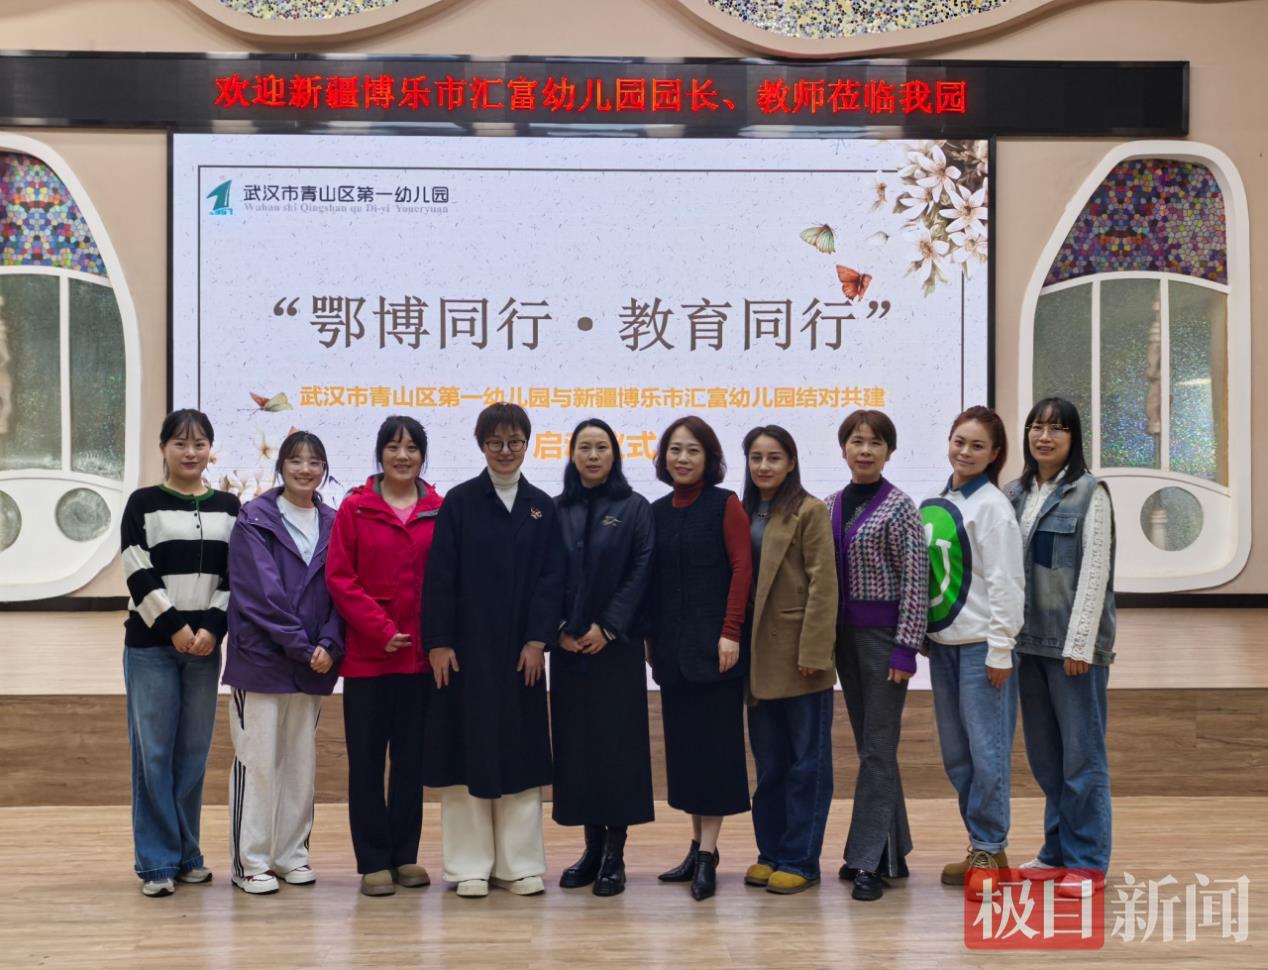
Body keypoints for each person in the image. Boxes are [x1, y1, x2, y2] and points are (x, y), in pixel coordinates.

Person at [421, 402, 565, 899]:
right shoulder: (460, 502)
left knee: (520, 753)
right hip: (466, 653)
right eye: (495, 443)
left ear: (527, 444)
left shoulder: (542, 506)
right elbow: (440, 577)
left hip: (523, 655)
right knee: (467, 753)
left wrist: (538, 640)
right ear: (481, 445)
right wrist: (439, 642)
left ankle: (518, 865)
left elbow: (552, 579)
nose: (506, 451)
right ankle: (469, 866)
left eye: (515, 442)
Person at [121, 408, 239, 897]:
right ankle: (157, 863)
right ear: (163, 448)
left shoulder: (230, 507)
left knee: (192, 755)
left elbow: (236, 575)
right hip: (151, 647)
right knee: (154, 754)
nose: (191, 453)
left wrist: (212, 628)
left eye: (199, 444)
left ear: (211, 450)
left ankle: (188, 854)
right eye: (180, 443)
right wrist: (174, 627)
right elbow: (136, 567)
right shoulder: (143, 503)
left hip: (205, 649)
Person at [223, 430, 344, 894]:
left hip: (312, 663)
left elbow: (342, 590)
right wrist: (303, 646)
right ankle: (249, 862)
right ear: (281, 466)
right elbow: (261, 594)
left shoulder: (334, 522)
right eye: (296, 460)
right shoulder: (255, 519)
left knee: (299, 765)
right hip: (262, 662)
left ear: (324, 470)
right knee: (257, 763)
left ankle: (291, 855)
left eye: (315, 462)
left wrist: (329, 643)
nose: (305, 469)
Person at [326, 416, 442, 897]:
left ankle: (405, 854)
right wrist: (381, 630)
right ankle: (373, 859)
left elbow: (446, 581)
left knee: (411, 764)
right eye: (393, 447)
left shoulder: (439, 509)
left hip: (420, 662)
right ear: (380, 454)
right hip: (368, 660)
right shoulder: (355, 508)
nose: (402, 456)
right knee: (368, 764)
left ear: (422, 456)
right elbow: (340, 578)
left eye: (412, 448)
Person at [1005, 398, 1115, 899]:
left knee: (1081, 759)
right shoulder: (1014, 493)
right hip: (1026, 645)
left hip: (1072, 650)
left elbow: (1095, 573)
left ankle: (1088, 862)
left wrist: (1081, 644)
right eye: (1037, 427)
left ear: (1074, 437)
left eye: (1057, 428)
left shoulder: (1091, 493)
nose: (1044, 436)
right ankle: (1057, 852)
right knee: (1047, 759)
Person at [647, 415, 753, 902]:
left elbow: (742, 568)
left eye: (693, 450)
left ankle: (709, 854)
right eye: (675, 449)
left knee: (714, 755)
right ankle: (695, 847)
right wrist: (651, 643)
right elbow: (654, 584)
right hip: (672, 655)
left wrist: (730, 632)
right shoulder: (656, 511)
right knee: (687, 757)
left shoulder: (724, 504)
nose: (683, 458)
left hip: (717, 654)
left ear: (709, 458)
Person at [920, 405, 1025, 896]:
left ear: (994, 454)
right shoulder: (939, 500)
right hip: (944, 648)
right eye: (959, 441)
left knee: (987, 755)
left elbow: (1006, 583)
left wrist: (1001, 648)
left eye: (977, 445)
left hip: (983, 650)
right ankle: (984, 849)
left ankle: (988, 844)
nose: (965, 451)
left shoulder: (993, 508)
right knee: (957, 758)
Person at [825, 410, 928, 901]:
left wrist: (906, 648)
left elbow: (916, 581)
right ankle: (892, 852)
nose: (865, 450)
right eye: (856, 441)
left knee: (877, 748)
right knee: (873, 746)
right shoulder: (829, 505)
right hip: (844, 641)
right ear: (843, 448)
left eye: (875, 442)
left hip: (885, 642)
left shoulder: (901, 507)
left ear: (889, 451)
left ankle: (865, 861)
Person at [552, 419, 655, 897]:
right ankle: (591, 850)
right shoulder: (556, 510)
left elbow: (642, 571)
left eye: (601, 448)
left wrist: (608, 627)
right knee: (578, 750)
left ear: (615, 455)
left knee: (617, 750)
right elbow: (543, 575)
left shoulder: (634, 508)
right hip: (568, 652)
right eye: (584, 448)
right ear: (572, 454)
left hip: (617, 650)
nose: (592, 456)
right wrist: (559, 631)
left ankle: (615, 854)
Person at [740, 426, 837, 896]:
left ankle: (801, 860)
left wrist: (815, 652)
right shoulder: (742, 510)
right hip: (756, 659)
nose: (764, 466)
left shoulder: (809, 510)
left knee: (806, 766)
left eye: (774, 457)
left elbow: (824, 584)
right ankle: (770, 853)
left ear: (791, 462)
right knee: (770, 765)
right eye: (756, 457)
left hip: (800, 659)